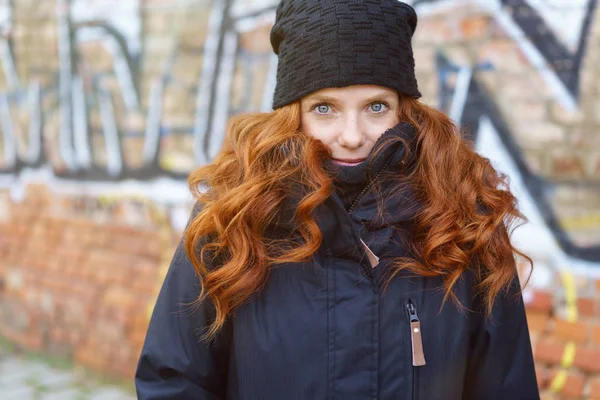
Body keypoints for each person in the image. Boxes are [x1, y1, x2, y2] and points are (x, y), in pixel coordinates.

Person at [135, 1, 540, 399]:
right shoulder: (233, 218)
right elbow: (174, 379)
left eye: (375, 107)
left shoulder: (465, 219)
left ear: (404, 111)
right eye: (324, 108)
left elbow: (506, 385)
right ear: (293, 113)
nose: (351, 135)